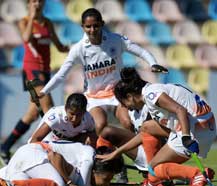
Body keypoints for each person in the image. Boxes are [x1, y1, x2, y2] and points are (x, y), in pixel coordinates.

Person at [38, 7, 168, 136]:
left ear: (102, 24)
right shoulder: (78, 49)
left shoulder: (116, 40)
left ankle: (136, 154)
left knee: (127, 123)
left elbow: (141, 51)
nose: (92, 30)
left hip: (117, 93)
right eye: (88, 27)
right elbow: (61, 75)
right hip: (94, 97)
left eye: (96, 26)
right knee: (99, 126)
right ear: (82, 27)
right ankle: (112, 154)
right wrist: (44, 91)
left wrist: (153, 63)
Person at [97, 67, 217, 186]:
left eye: (123, 103)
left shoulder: (150, 95)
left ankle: (196, 174)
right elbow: (143, 134)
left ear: (130, 96)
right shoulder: (151, 90)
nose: (126, 107)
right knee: (147, 127)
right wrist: (116, 153)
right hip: (203, 125)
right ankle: (153, 182)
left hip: (195, 129)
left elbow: (180, 110)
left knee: (154, 168)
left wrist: (186, 137)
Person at [0, 0, 69, 164]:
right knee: (48, 110)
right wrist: (31, 17)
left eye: (39, 1)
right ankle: (55, 150)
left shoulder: (48, 22)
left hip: (45, 70)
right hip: (31, 71)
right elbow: (25, 38)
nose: (37, 4)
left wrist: (73, 48)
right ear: (28, 4)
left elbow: (59, 46)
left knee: (31, 114)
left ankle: (5, 147)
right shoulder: (24, 21)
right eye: (33, 1)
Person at [0, 142, 123, 186]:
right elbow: (54, 156)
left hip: (24, 161)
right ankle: (12, 185)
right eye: (107, 179)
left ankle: (11, 185)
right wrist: (69, 184)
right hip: (34, 154)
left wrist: (104, 184)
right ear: (95, 171)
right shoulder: (86, 160)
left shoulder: (85, 167)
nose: (107, 183)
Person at [29, 93, 98, 148]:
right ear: (65, 108)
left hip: (69, 142)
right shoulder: (56, 117)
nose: (75, 119)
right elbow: (35, 139)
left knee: (91, 137)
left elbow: (93, 136)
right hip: (48, 142)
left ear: (84, 111)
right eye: (72, 114)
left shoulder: (88, 118)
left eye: (79, 115)